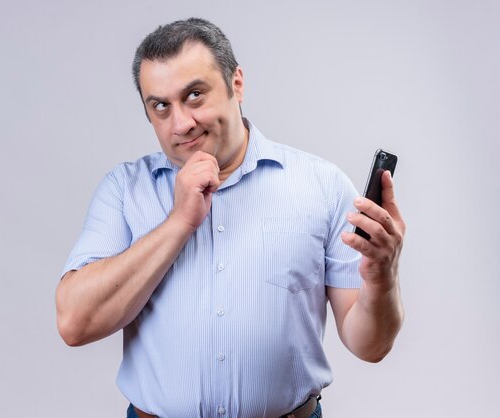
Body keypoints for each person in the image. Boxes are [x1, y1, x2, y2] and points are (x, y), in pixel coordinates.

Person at [56, 17, 405, 418]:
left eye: (195, 95)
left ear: (236, 83)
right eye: (161, 106)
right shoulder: (123, 190)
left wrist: (382, 276)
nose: (181, 123)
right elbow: (74, 323)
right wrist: (178, 223)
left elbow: (370, 345)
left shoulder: (322, 185)